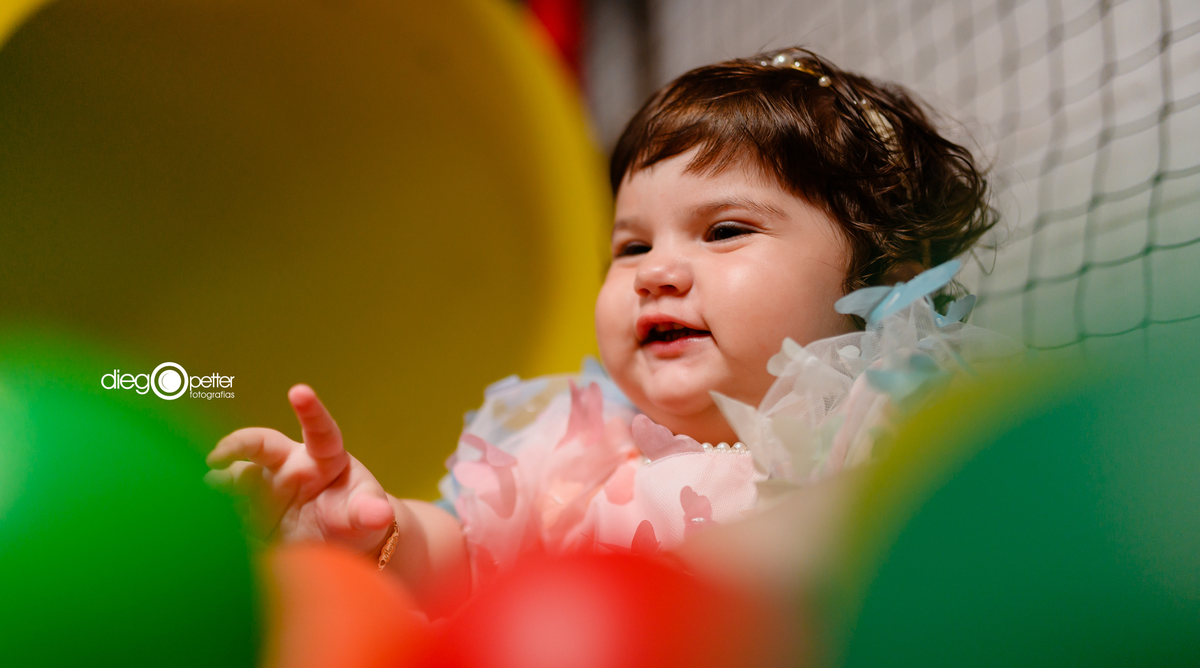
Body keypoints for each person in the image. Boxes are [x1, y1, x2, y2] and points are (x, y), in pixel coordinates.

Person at [205, 48, 1018, 617]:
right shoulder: (572, 451)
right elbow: (466, 562)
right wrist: (377, 531)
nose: (655, 272)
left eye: (725, 231)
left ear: (883, 279)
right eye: (630, 247)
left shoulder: (888, 425)